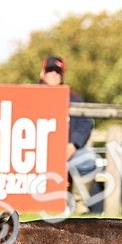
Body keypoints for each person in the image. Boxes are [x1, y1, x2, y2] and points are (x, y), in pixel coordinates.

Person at [39, 55, 98, 214]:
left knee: (89, 159)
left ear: (62, 76)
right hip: (36, 154)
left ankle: (79, 205)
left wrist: (74, 144)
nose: (53, 75)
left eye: (57, 72)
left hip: (67, 153)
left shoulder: (74, 98)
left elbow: (86, 123)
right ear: (42, 74)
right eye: (50, 71)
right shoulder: (32, 94)